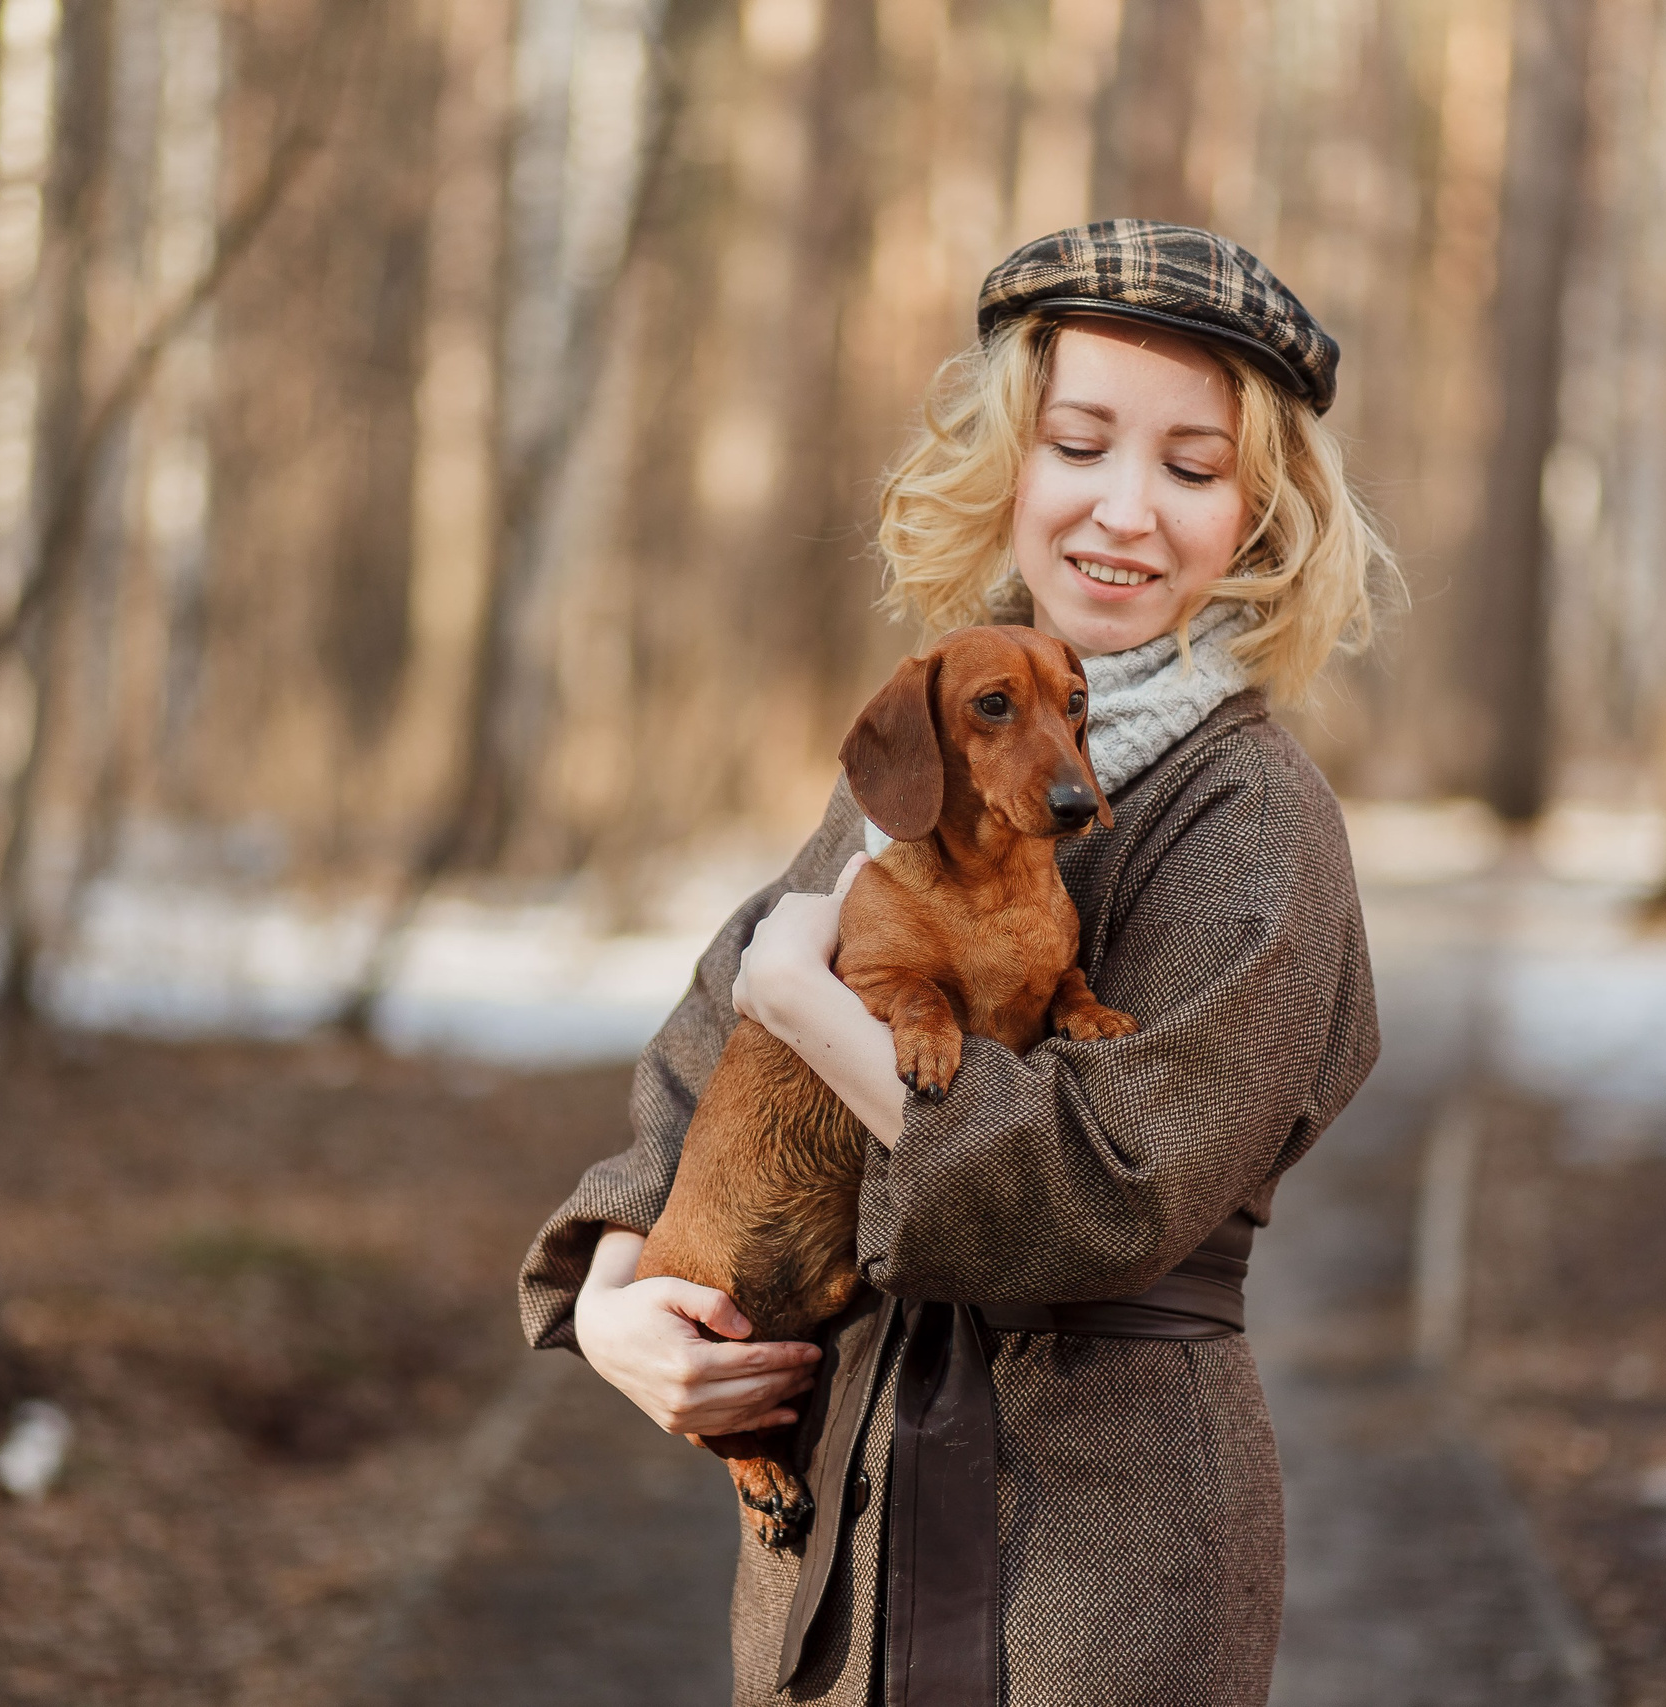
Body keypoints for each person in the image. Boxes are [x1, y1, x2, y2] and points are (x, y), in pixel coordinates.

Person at [518, 219, 1390, 1707]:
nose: (1123, 509)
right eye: (1081, 445)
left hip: (1104, 1551)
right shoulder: (927, 736)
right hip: (835, 1520)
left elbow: (1104, 1195)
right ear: (1013, 467)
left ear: (1258, 516)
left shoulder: (1254, 823)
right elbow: (715, 1044)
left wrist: (816, 1003)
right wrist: (616, 1296)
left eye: (1188, 467)